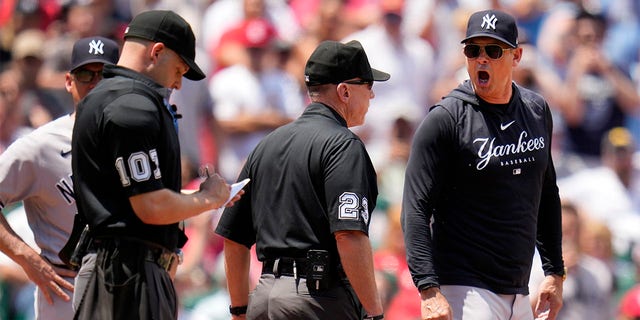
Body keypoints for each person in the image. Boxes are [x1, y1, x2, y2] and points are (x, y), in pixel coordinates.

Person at [70, 10, 240, 320]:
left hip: (125, 270)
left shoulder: (110, 97)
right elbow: (151, 206)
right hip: (124, 275)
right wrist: (210, 199)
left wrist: (208, 197)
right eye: (179, 69)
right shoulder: (131, 104)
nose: (178, 83)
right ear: (157, 51)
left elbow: (137, 202)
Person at [401, 9, 565, 320]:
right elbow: (415, 208)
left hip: (519, 289)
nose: (482, 59)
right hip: (465, 288)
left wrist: (555, 271)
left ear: (516, 56)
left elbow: (546, 193)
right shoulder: (446, 119)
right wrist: (428, 289)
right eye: (473, 50)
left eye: (493, 50)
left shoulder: (536, 110)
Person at [215, 39, 389, 320]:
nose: (371, 95)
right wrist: (375, 312)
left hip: (265, 296)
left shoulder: (265, 146)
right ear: (344, 91)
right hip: (317, 300)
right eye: (368, 86)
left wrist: (239, 310)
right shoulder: (343, 145)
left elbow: (234, 239)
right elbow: (348, 234)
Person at [0, 35, 120, 320]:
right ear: (69, 81)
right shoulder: (40, 146)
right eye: (85, 74)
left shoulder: (136, 140)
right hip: (66, 292)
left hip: (126, 287)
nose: (95, 83)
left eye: (105, 74)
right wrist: (28, 259)